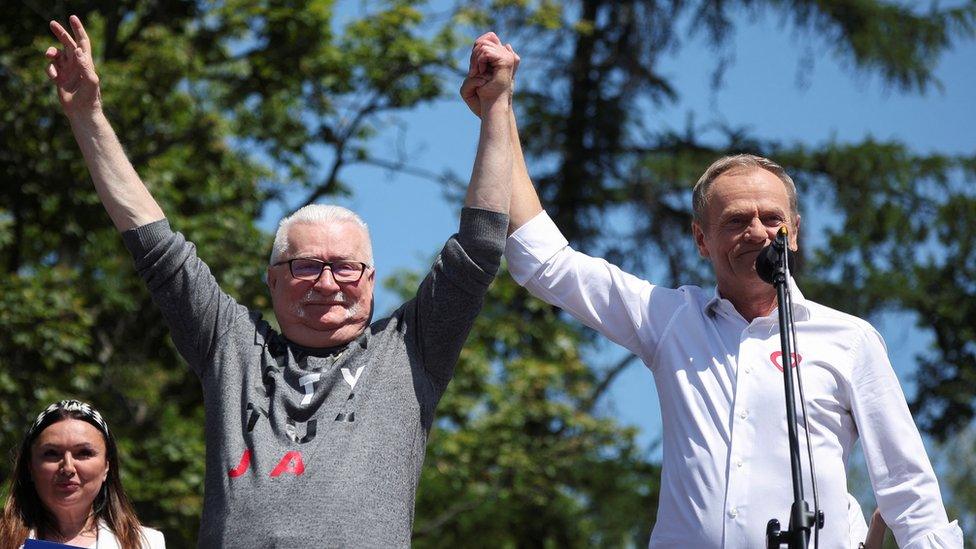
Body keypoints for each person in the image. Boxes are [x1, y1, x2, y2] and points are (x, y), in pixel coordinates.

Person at [45, 15, 516, 547]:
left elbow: (478, 247)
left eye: (346, 267)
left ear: (371, 280)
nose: (328, 282)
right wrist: (88, 115)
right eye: (307, 266)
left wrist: (496, 106)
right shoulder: (232, 346)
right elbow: (152, 242)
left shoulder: (410, 352)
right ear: (272, 281)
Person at [471, 71, 964, 545]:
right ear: (701, 239)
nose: (757, 232)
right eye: (735, 221)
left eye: (772, 218)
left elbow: (907, 487)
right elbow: (545, 263)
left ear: (794, 231)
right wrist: (499, 108)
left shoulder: (848, 340)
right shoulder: (669, 321)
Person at [0, 400, 165, 549]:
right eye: (51, 453)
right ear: (30, 467)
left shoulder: (147, 543)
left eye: (84, 453)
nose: (68, 467)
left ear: (107, 466)